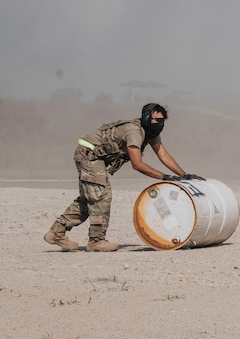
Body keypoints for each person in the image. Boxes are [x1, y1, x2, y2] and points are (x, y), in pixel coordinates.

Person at [44, 103, 203, 252]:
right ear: (147, 118)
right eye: (156, 120)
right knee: (101, 196)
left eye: (162, 121)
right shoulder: (134, 131)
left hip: (93, 157)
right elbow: (137, 164)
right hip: (89, 155)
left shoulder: (150, 133)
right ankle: (96, 241)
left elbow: (164, 155)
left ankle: (57, 232)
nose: (159, 124)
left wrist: (184, 175)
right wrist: (165, 177)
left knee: (90, 197)